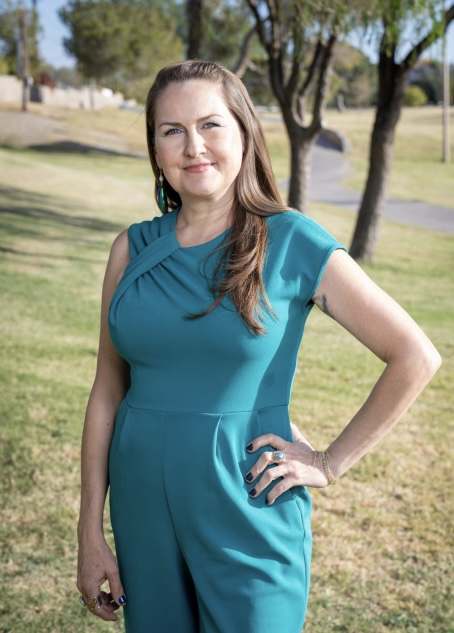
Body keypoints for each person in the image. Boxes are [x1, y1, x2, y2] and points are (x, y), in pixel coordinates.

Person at [76, 60, 441, 633]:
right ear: (156, 149)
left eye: (210, 125)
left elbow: (415, 355)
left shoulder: (291, 239)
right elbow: (106, 391)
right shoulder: (131, 249)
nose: (193, 145)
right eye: (172, 130)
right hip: (143, 511)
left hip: (247, 506)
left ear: (244, 132)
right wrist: (89, 530)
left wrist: (329, 462)